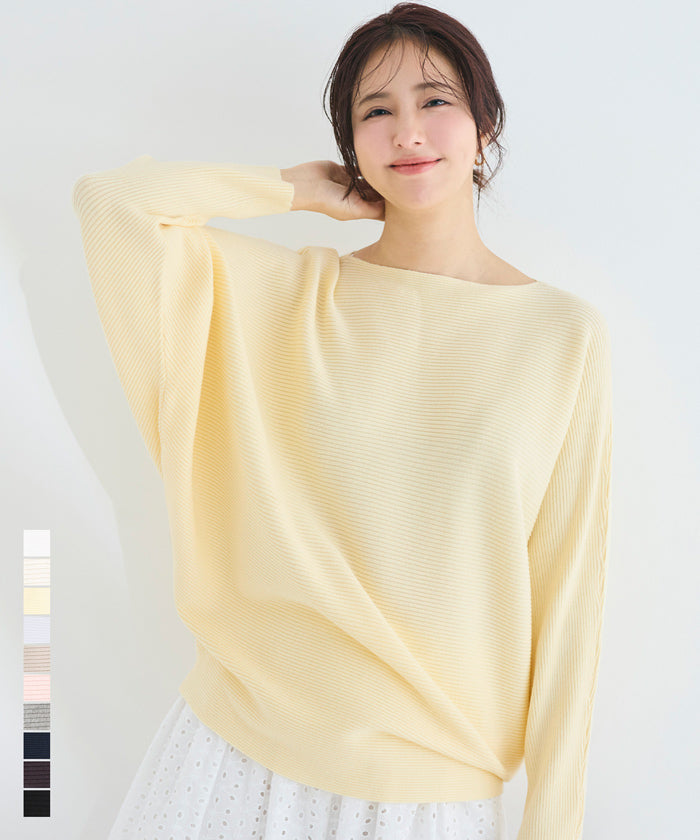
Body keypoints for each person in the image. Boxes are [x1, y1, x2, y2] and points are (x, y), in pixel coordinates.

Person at [72, 3, 612, 839]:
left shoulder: (560, 336)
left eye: (436, 100)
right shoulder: (289, 295)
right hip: (230, 757)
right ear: (351, 146)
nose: (408, 131)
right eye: (376, 110)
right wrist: (293, 190)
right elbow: (111, 204)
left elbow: (568, 601)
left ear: (485, 123)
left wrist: (554, 827)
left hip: (426, 794)